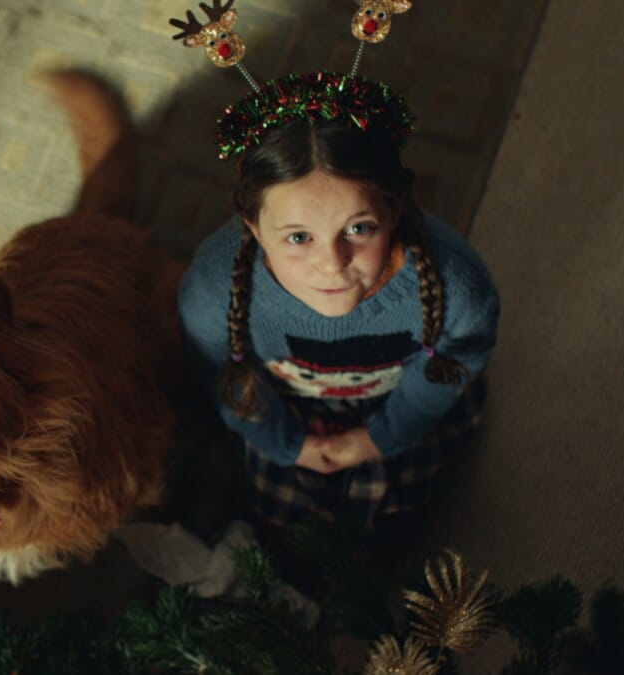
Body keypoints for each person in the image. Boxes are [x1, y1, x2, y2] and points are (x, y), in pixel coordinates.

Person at [179, 72, 500, 529]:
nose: (332, 263)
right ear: (252, 227)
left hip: (405, 399)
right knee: (281, 514)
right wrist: (286, 444)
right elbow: (221, 376)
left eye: (358, 228)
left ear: (395, 211)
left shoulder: (459, 289)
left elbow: (452, 367)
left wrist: (380, 437)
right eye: (298, 237)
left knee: (398, 510)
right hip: (278, 406)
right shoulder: (212, 291)